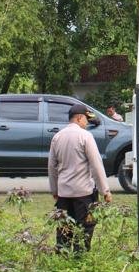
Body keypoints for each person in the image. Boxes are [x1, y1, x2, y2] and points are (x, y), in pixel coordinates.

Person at [48, 103, 113, 253]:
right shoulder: (85, 136)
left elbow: (52, 167)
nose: (86, 123)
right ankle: (80, 260)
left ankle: (62, 260)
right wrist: (105, 191)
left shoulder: (57, 137)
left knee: (64, 230)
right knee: (85, 229)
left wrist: (54, 190)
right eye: (85, 120)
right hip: (84, 194)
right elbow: (96, 165)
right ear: (78, 118)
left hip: (64, 194)